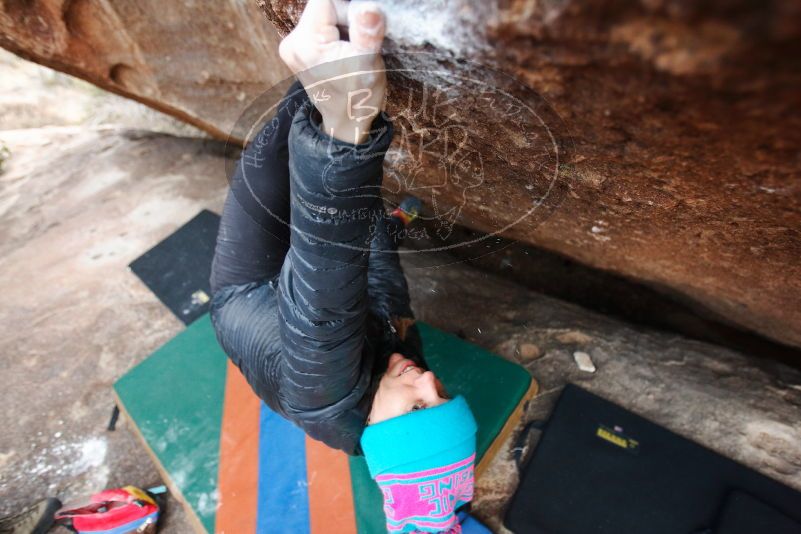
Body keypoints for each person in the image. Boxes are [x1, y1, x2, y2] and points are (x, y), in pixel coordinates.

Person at [209, 1, 477, 531]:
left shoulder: (325, 392)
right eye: (443, 396)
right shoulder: (397, 383)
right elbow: (383, 296)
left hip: (249, 292)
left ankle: (321, 51)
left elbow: (326, 278)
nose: (428, 381)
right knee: (366, 228)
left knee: (284, 148)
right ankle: (385, 218)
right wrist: (379, 231)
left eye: (419, 408)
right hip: (317, 298)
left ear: (376, 431)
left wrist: (345, 132)